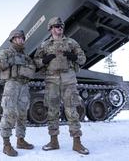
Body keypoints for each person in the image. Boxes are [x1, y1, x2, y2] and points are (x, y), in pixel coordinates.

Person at [34, 17, 89, 155]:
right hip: (52, 80)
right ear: (51, 28)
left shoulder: (71, 43)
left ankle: (77, 143)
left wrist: (74, 57)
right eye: (57, 26)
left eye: (61, 26)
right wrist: (44, 60)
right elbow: (36, 62)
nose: (60, 28)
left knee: (72, 111)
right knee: (52, 111)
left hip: (68, 79)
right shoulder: (44, 45)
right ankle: (54, 141)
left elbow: (83, 59)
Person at [0, 29, 36, 157]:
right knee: (9, 113)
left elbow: (32, 68)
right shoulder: (6, 52)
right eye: (18, 37)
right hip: (11, 84)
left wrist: (25, 68)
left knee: (22, 114)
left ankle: (20, 140)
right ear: (12, 39)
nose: (21, 40)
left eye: (22, 38)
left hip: (24, 85)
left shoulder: (25, 56)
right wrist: (11, 61)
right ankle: (6, 144)